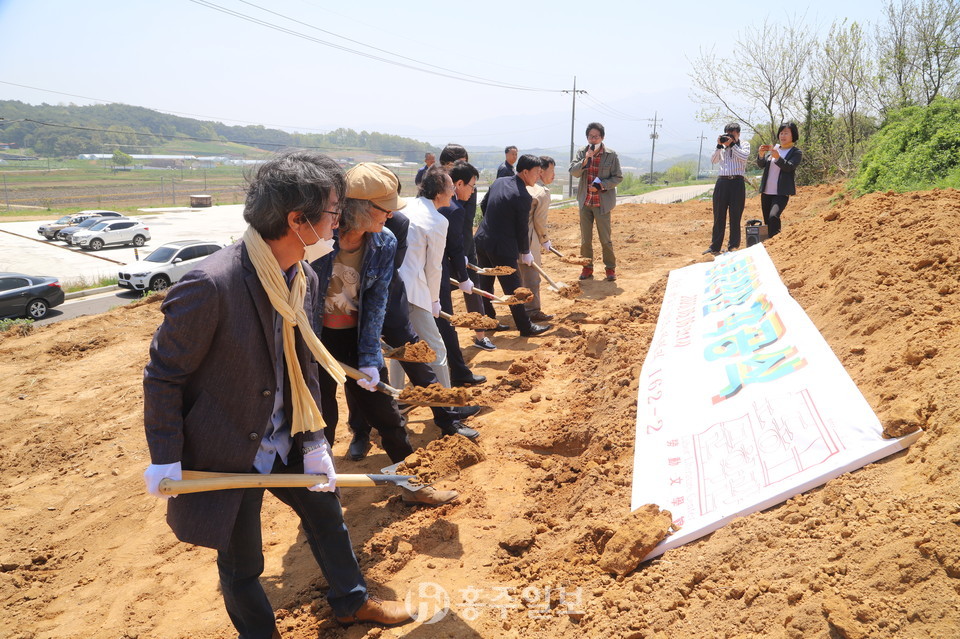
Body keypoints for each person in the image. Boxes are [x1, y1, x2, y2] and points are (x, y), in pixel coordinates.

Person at [142, 150, 412, 635]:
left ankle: (350, 602)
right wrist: (165, 455)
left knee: (328, 518)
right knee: (243, 566)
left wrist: (313, 443)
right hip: (228, 452)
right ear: (297, 220)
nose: (337, 223)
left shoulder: (302, 277)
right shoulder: (211, 284)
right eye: (332, 212)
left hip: (287, 435)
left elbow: (303, 360)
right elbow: (163, 375)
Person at [311, 162, 457, 506]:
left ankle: (412, 484)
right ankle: (320, 495)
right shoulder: (317, 237)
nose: (390, 216)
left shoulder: (383, 243)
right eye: (384, 208)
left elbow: (376, 303)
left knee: (387, 416)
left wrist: (370, 358)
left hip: (354, 338)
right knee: (319, 420)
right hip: (312, 341)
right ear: (359, 207)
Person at [474, 154, 551, 337]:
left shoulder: (500, 182)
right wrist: (525, 251)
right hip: (502, 247)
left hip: (482, 239)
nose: (538, 176)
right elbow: (521, 228)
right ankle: (525, 327)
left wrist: (494, 222)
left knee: (486, 285)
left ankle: (490, 321)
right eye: (536, 173)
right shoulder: (522, 195)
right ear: (525, 172)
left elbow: (484, 204)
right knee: (514, 288)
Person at [394, 165, 455, 387]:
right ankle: (448, 404)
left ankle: (398, 399)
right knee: (436, 347)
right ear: (438, 193)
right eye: (450, 187)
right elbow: (434, 267)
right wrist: (434, 301)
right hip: (412, 291)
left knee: (400, 345)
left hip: (391, 286)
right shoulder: (438, 221)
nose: (453, 191)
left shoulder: (406, 205)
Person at [436, 160, 487, 386]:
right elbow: (454, 248)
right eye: (471, 185)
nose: (473, 191)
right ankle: (459, 373)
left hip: (429, 270)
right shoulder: (454, 209)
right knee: (446, 325)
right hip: (437, 272)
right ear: (458, 183)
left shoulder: (433, 202)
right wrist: (464, 279)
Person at [569, 122, 623, 281]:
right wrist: (585, 161)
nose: (593, 140)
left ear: (602, 137)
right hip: (585, 202)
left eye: (596, 136)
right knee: (586, 239)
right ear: (587, 138)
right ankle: (587, 268)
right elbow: (573, 172)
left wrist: (601, 186)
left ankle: (610, 269)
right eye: (590, 137)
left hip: (602, 203)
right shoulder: (581, 152)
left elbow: (618, 177)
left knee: (605, 239)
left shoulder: (611, 155)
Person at [519, 156, 556, 323]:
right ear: (540, 172)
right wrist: (545, 240)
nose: (553, 175)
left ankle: (519, 308)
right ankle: (532, 310)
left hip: (510, 239)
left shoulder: (517, 185)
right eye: (551, 170)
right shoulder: (541, 192)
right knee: (532, 277)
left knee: (518, 276)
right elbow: (539, 221)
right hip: (528, 238)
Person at [705, 122, 751, 255]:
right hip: (722, 182)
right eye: (728, 133)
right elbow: (713, 161)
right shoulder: (722, 147)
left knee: (735, 215)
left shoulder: (744, 144)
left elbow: (743, 157)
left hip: (737, 182)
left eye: (733, 134)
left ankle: (733, 246)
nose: (730, 136)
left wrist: (733, 145)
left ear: (738, 134)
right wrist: (719, 146)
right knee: (719, 215)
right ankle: (715, 246)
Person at [756, 122, 803, 238]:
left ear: (793, 135)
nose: (782, 136)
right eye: (781, 133)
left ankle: (776, 242)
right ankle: (769, 243)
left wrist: (778, 158)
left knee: (773, 216)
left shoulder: (796, 152)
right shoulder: (775, 149)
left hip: (781, 193)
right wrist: (761, 155)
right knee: (767, 220)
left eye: (786, 133)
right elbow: (762, 165)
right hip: (767, 191)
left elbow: (789, 167)